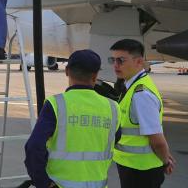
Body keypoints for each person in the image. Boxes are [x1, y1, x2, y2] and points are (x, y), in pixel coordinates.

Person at [25, 50, 121, 188]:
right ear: (95, 76)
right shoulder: (113, 107)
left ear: (67, 71)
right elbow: (115, 138)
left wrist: (43, 183)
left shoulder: (56, 104)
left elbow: (34, 147)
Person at [110, 39, 176, 188]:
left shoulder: (141, 95)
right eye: (112, 60)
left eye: (121, 60)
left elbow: (156, 140)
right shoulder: (132, 86)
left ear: (139, 62)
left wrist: (165, 161)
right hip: (132, 166)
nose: (115, 65)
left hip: (141, 171)